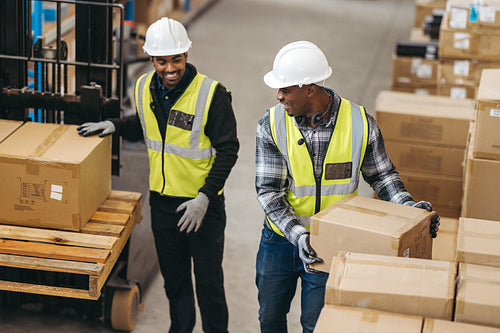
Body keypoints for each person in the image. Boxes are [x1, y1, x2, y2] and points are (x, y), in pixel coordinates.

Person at [255, 40, 440, 333]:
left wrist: (411, 211)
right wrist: (299, 235)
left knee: (316, 325)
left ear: (310, 88)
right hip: (281, 239)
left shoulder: (360, 123)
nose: (279, 96)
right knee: (269, 318)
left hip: (331, 245)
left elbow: (383, 177)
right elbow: (269, 191)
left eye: (286, 89)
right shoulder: (272, 124)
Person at [78, 17, 239, 333]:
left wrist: (204, 198)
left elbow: (228, 150)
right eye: (162, 61)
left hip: (201, 208)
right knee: (175, 282)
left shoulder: (211, 94)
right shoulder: (142, 87)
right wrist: (116, 126)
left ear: (186, 56)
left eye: (176, 59)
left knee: (208, 285)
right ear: (150, 58)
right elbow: (147, 127)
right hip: (163, 205)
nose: (170, 68)